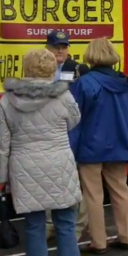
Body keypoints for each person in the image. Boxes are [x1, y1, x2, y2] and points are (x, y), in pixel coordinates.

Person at [0, 49, 90, 256]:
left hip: (24, 165)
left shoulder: (7, 100)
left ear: (25, 68)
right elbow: (74, 120)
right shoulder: (63, 97)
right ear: (50, 69)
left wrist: (2, 177)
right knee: (66, 221)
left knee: (34, 225)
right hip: (59, 162)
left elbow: (1, 144)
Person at [70, 38, 128, 254]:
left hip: (91, 146)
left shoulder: (84, 83)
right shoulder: (126, 84)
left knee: (93, 195)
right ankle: (126, 237)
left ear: (91, 55)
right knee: (121, 190)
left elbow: (76, 120)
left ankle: (98, 242)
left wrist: (71, 150)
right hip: (120, 144)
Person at [44, 30, 89, 242]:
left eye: (64, 46)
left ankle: (77, 227)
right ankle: (51, 225)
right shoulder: (41, 69)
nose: (60, 50)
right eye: (56, 46)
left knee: (76, 181)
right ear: (47, 48)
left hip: (74, 130)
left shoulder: (79, 69)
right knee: (51, 179)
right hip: (49, 132)